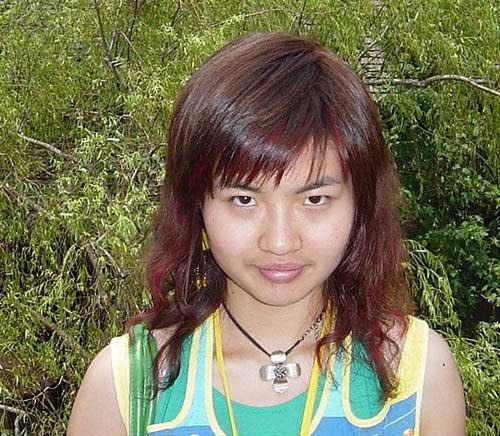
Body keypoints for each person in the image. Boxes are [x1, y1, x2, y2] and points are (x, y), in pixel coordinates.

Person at [67, 32, 465, 436]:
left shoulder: (416, 376)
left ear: (359, 204)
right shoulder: (127, 389)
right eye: (243, 199)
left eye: (314, 199)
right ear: (196, 206)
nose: (279, 241)